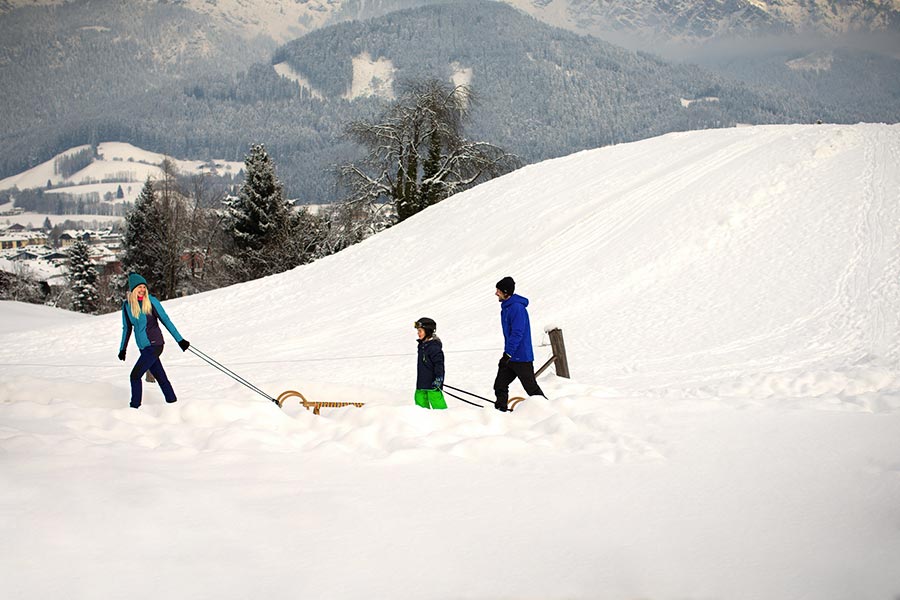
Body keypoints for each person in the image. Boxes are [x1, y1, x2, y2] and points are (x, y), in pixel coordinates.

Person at [118, 273, 190, 409]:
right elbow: (126, 328)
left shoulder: (151, 301)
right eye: (139, 287)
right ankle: (172, 403)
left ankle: (134, 407)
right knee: (160, 376)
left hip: (155, 345)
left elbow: (166, 320)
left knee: (135, 376)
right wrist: (123, 349)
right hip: (143, 348)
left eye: (144, 287)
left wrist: (180, 340)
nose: (142, 290)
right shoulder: (127, 306)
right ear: (132, 289)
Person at [493, 276, 544, 412]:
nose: (496, 293)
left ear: (506, 292)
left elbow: (517, 333)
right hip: (511, 356)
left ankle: (548, 410)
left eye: (498, 290)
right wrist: (507, 355)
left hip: (521, 357)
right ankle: (501, 410)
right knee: (500, 385)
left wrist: (508, 353)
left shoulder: (517, 308)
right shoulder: (506, 308)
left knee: (531, 388)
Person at [414, 317, 447, 410]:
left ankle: (446, 421)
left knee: (437, 403)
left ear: (427, 331)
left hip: (433, 385)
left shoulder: (434, 347)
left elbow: (439, 364)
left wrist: (439, 379)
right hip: (421, 384)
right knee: (419, 402)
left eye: (420, 331)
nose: (418, 333)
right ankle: (424, 422)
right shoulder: (422, 346)